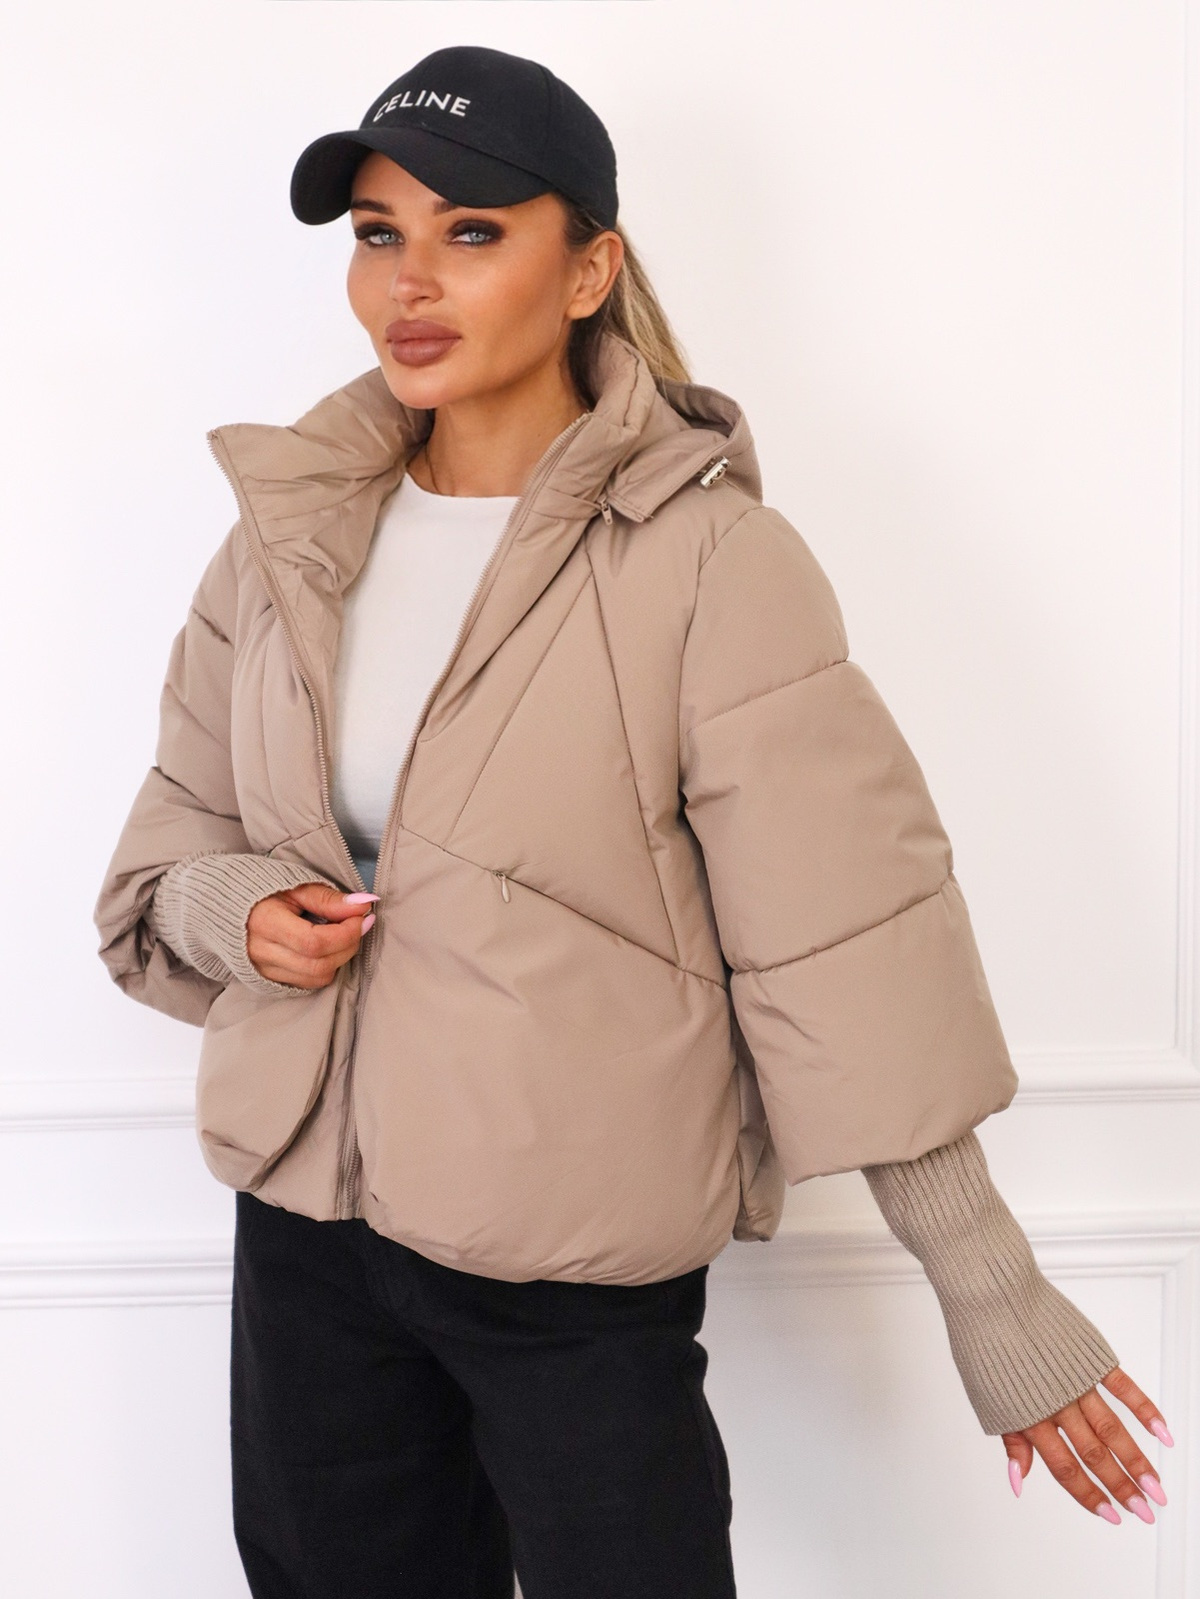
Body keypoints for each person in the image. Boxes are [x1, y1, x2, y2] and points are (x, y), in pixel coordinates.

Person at [93, 43, 1174, 1599]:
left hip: (574, 1266)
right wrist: (232, 914)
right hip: (308, 1244)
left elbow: (849, 939)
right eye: (380, 233)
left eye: (472, 231)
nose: (410, 280)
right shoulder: (287, 540)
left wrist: (990, 1291)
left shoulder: (710, 562)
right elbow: (162, 856)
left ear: (589, 268)